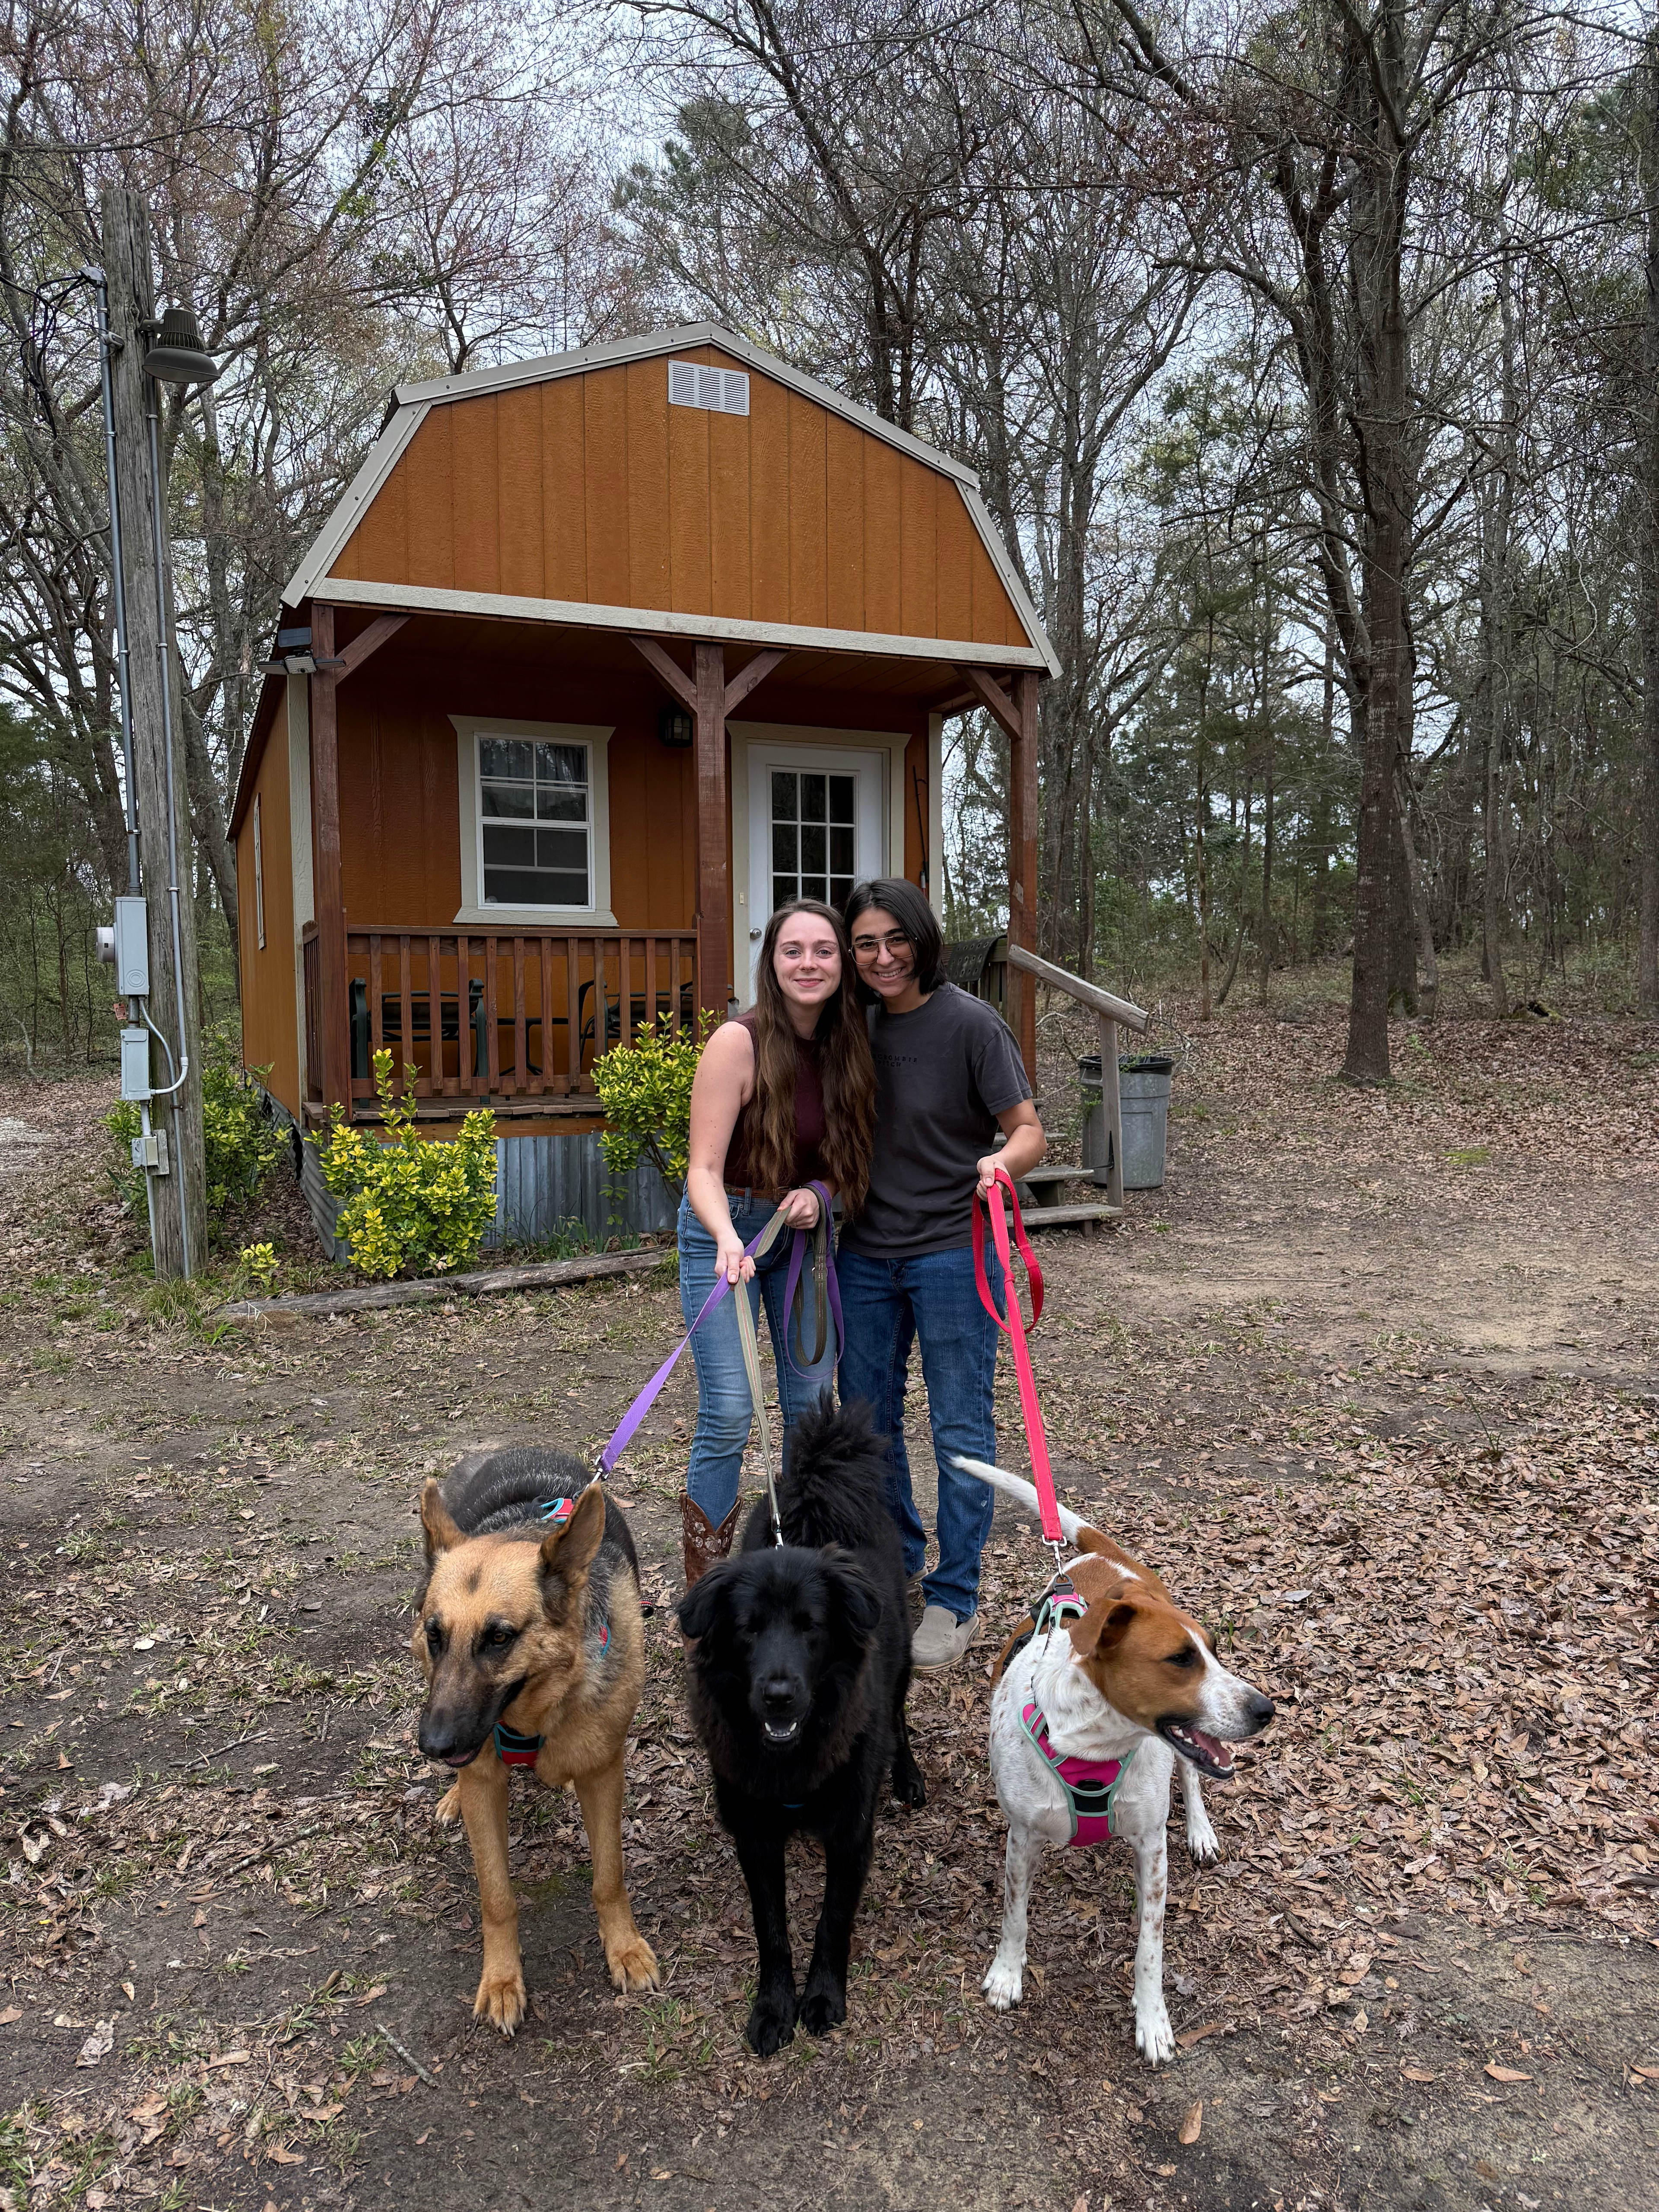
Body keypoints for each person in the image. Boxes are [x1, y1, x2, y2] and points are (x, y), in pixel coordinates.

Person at [836, 878, 1046, 1669]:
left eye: (896, 940)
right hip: (862, 1256)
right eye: (866, 944)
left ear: (923, 941)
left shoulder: (970, 1023)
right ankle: (896, 1572)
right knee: (870, 1425)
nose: (882, 957)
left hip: (956, 1253)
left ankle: (954, 1597)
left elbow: (1028, 1130)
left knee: (960, 1427)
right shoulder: (850, 1026)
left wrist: (1000, 1164)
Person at [677, 899, 876, 1586]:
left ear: (842, 964)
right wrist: (730, 1239)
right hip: (726, 1227)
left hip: (806, 1243)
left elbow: (857, 1169)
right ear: (773, 962)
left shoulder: (854, 1048)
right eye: (794, 951)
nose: (809, 964)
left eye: (824, 950)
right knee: (730, 1413)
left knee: (809, 1414)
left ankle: (799, 1577)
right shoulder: (739, 1041)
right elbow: (701, 1169)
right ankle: (707, 1591)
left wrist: (824, 1196)